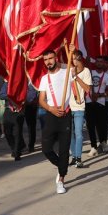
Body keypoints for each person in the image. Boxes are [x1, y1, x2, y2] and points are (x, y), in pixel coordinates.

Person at [38, 49, 74, 195]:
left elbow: (78, 68)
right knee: (46, 149)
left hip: (65, 115)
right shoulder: (44, 79)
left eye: (51, 58)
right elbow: (41, 100)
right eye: (46, 59)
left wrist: (72, 52)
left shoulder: (66, 72)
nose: (48, 62)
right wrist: (50, 109)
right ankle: (62, 166)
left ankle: (61, 180)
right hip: (52, 115)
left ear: (56, 58)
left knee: (64, 149)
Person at [69, 48, 92, 168]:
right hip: (69, 107)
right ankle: (73, 156)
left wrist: (76, 77)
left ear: (80, 58)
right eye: (72, 58)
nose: (73, 61)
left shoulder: (86, 71)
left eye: (75, 58)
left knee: (78, 133)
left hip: (79, 107)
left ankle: (78, 158)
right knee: (70, 134)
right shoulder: (69, 70)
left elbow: (88, 89)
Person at [87, 56, 108, 156]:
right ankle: (93, 146)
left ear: (103, 64)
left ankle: (103, 142)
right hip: (89, 102)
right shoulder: (90, 72)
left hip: (101, 103)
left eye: (101, 61)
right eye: (97, 61)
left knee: (101, 125)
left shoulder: (106, 76)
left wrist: (100, 95)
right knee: (90, 126)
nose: (98, 63)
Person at [3, 94, 27, 161]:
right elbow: (1, 95)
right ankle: (14, 148)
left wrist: (22, 100)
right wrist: (11, 98)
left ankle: (17, 152)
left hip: (19, 111)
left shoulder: (22, 85)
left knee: (17, 134)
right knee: (8, 133)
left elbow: (27, 95)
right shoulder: (7, 84)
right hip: (8, 111)